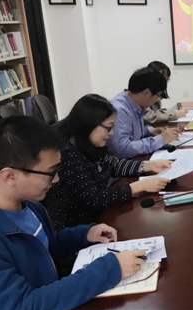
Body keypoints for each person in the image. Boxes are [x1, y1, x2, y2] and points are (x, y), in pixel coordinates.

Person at [0, 116, 146, 310]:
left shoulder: (30, 207)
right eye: (50, 172)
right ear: (10, 176)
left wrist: (83, 235)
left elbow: (42, 248)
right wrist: (109, 269)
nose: (57, 179)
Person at [43, 94, 172, 232]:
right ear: (89, 124)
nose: (111, 133)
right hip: (74, 230)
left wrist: (147, 165)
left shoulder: (90, 144)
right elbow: (94, 197)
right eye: (108, 128)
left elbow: (113, 165)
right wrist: (139, 186)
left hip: (97, 221)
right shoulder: (67, 154)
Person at [108, 67, 179, 158]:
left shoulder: (135, 103)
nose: (157, 99)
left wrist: (151, 130)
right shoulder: (119, 110)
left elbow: (132, 130)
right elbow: (123, 149)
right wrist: (161, 140)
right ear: (146, 93)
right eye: (158, 95)